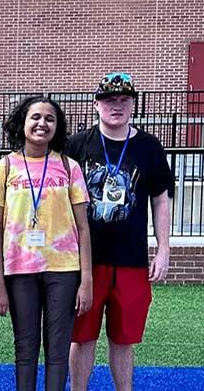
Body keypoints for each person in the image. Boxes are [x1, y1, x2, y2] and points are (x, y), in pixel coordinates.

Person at [67, 73, 174, 391]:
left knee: (124, 339)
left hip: (131, 259)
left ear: (133, 105)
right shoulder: (77, 144)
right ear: (96, 104)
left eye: (124, 100)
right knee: (82, 336)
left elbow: (161, 199)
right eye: (110, 100)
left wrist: (164, 248)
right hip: (86, 261)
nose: (117, 106)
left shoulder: (149, 147)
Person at [0, 96, 93, 391]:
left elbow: (83, 228)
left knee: (57, 353)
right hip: (19, 270)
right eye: (35, 117)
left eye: (49, 119)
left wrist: (87, 281)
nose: (42, 124)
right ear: (23, 122)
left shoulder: (69, 167)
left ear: (57, 127)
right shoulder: (4, 168)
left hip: (64, 269)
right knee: (26, 351)